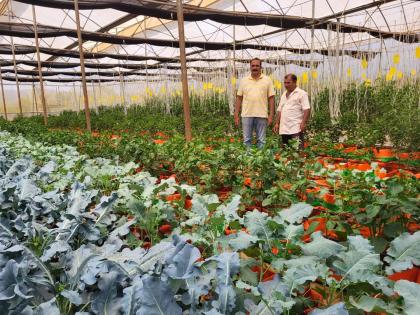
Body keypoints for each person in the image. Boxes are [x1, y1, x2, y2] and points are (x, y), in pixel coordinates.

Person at [234, 58, 275, 149]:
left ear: (261, 67)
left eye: (257, 66)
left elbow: (271, 98)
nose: (255, 67)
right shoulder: (244, 80)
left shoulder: (267, 80)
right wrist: (236, 114)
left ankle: (260, 161)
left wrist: (271, 115)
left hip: (262, 114)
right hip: (246, 114)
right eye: (253, 66)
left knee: (261, 140)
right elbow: (239, 98)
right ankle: (248, 161)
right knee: (247, 140)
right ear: (250, 67)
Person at [273, 74, 310, 149]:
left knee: (298, 149)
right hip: (284, 127)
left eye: (288, 83)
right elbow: (280, 110)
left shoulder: (301, 93)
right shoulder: (284, 94)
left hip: (295, 126)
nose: (286, 85)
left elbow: (307, 109)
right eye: (285, 83)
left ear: (295, 82)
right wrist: (277, 123)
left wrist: (303, 122)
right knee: (286, 150)